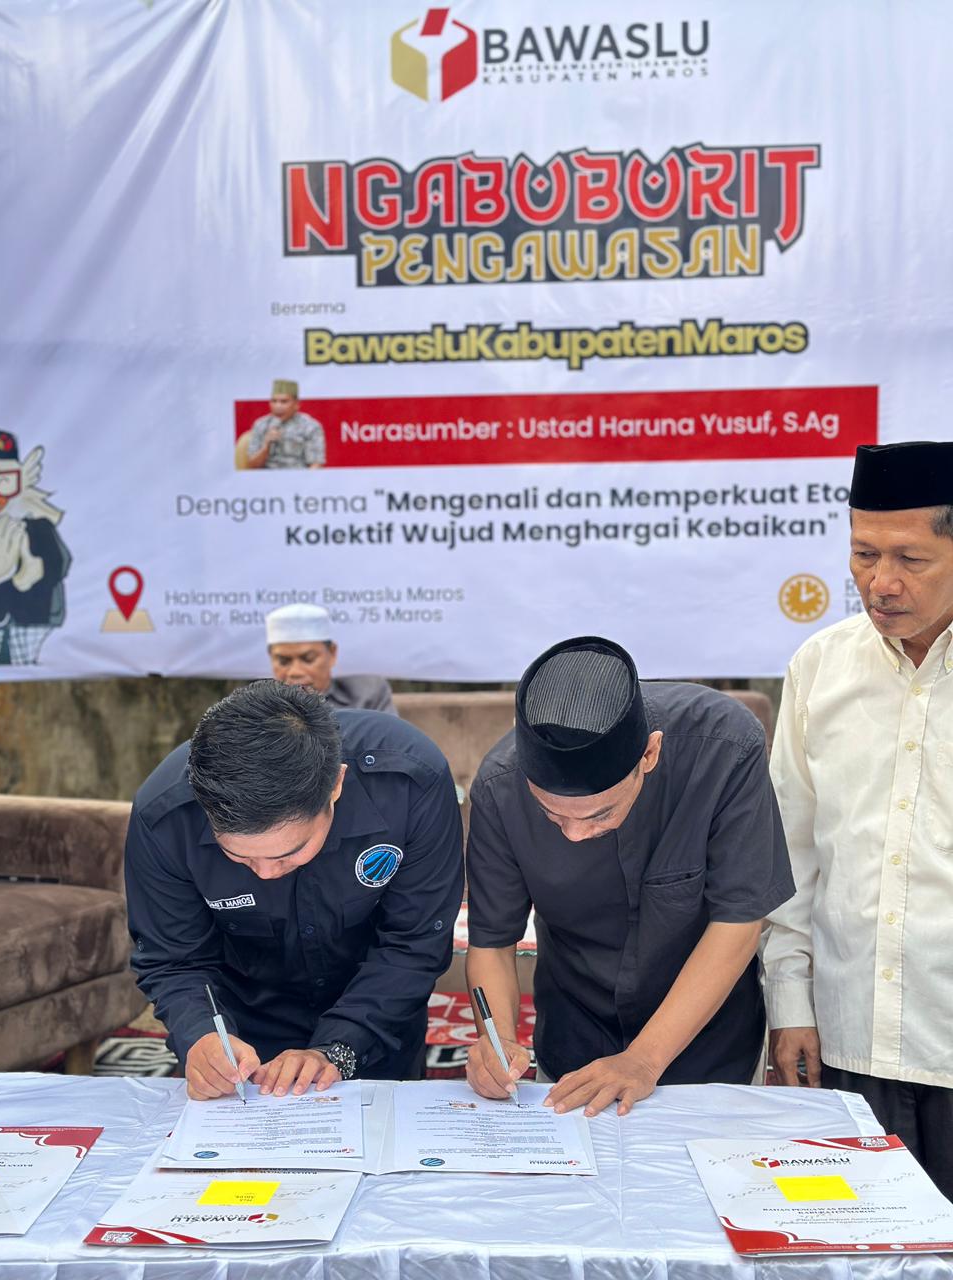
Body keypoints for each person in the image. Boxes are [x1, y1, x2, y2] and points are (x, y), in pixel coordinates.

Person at [465, 635, 794, 1117]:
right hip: (574, 1047)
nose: (575, 834)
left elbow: (738, 921)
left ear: (649, 754)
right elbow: (493, 942)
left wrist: (644, 1059)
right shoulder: (500, 786)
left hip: (709, 1053)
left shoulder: (723, 747)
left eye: (599, 814)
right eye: (553, 816)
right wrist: (495, 1042)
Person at [763, 440, 953, 1197]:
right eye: (864, 554)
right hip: (846, 1044)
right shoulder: (821, 666)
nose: (881, 582)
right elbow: (790, 853)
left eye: (910, 559)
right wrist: (789, 1003)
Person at [125, 680, 463, 1099]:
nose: (267, 874)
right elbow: (174, 959)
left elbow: (414, 942)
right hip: (242, 1046)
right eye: (239, 858)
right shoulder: (164, 816)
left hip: (379, 1020)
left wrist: (339, 1047)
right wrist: (201, 1034)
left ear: (336, 785)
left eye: (290, 853)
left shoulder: (409, 782)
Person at [0, 432, 71, 664]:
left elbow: (59, 562)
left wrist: (31, 575)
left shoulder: (35, 525)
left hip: (30, 622)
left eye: (3, 481)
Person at [265, 603, 397, 713]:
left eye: (308, 659)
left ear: (332, 653)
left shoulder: (368, 694)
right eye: (283, 661)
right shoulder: (260, 707)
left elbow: (389, 736)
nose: (295, 672)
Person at [245, 379, 326, 469]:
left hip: (298, 475)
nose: (278, 406)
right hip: (267, 476)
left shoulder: (310, 426)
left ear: (296, 404)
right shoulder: (261, 424)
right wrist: (266, 446)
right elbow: (252, 465)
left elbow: (316, 465)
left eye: (284, 402)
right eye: (274, 401)